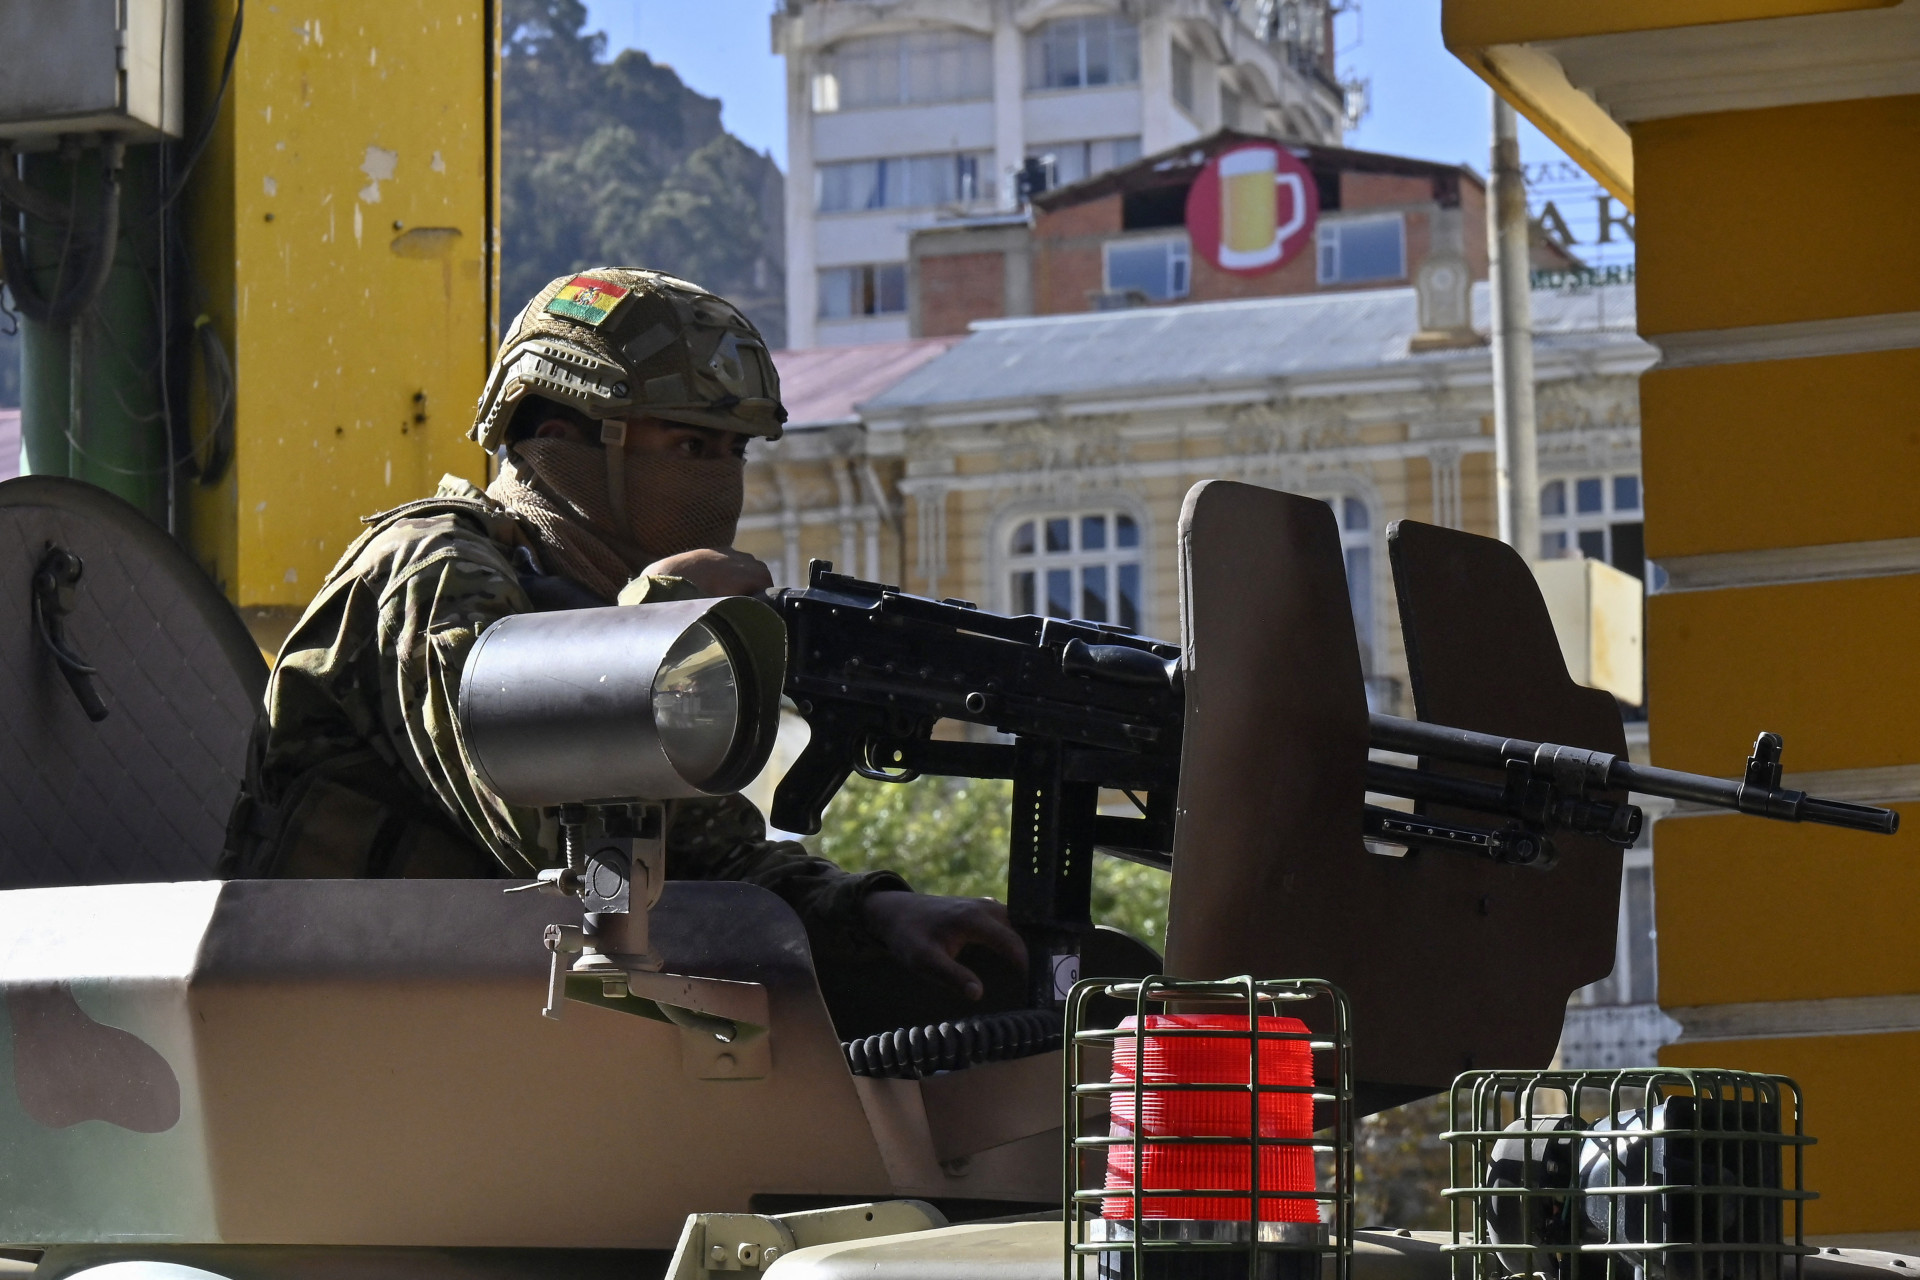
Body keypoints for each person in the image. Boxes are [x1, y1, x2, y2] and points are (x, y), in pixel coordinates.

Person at [224, 267, 1024, 1002]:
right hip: (333, 1025)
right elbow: (549, 847)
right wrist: (648, 631)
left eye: (732, 451)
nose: (717, 480)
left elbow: (714, 861)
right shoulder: (430, 569)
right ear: (565, 442)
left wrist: (876, 911)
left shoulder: (592, 598)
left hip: (480, 1029)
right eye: (686, 446)